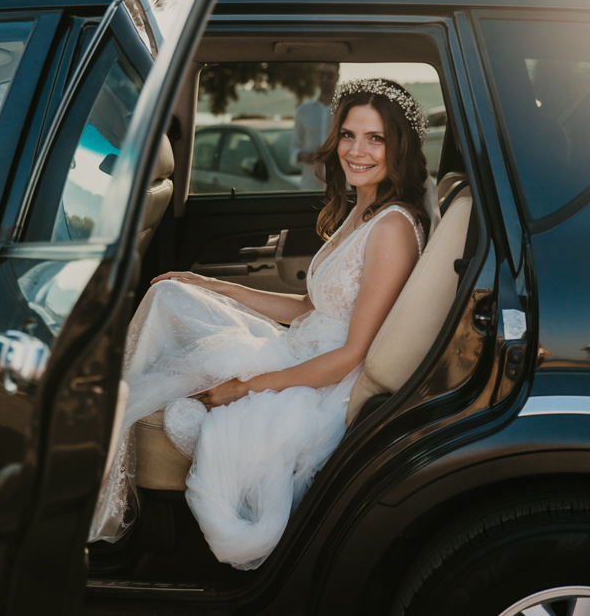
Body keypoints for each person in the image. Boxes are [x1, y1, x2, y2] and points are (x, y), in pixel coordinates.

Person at [90, 78, 433, 570]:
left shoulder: (394, 227)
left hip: (322, 384)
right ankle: (101, 464)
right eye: (349, 135)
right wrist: (213, 285)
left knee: (190, 397)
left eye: (375, 138)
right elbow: (310, 306)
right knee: (170, 293)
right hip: (303, 348)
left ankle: (94, 477)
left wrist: (247, 387)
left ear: (398, 146)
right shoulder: (364, 208)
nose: (357, 151)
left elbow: (351, 353)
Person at [291, 62, 339, 189]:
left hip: (339, 184)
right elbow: (294, 147)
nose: (324, 79)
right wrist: (304, 156)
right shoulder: (304, 110)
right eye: (321, 75)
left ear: (337, 77)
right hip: (310, 185)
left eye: (330, 75)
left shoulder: (344, 109)